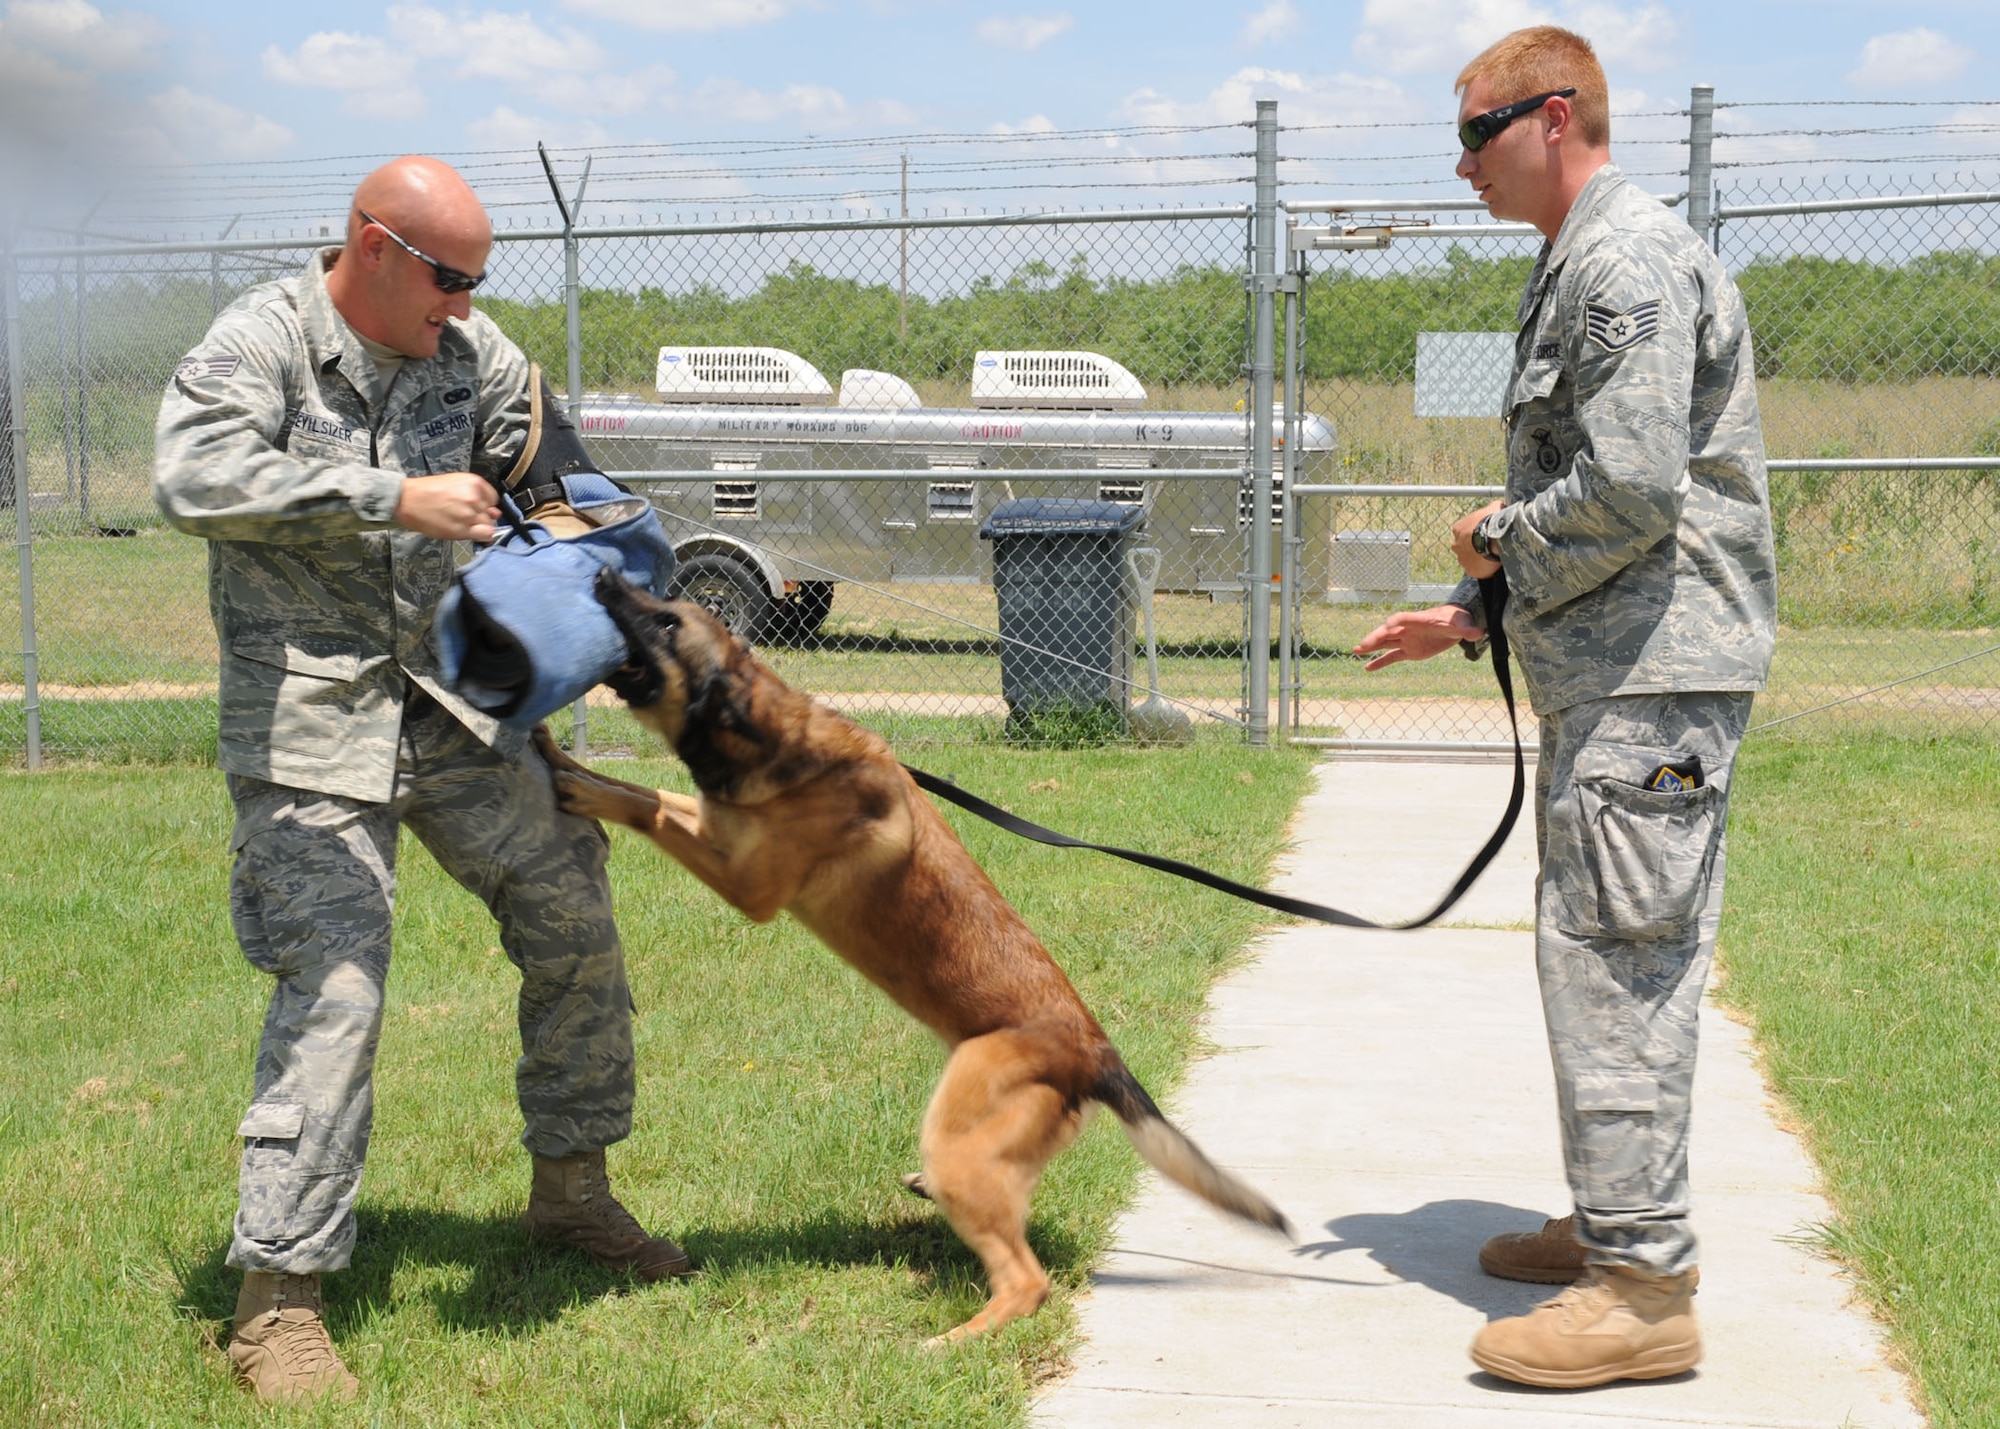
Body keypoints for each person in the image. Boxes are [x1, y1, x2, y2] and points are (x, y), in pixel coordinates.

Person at [155, 156, 693, 1407]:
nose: (463, 302)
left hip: (455, 709)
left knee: (574, 916)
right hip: (310, 715)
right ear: (374, 245)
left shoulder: (473, 348)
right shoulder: (266, 342)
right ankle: (276, 1303)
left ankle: (572, 1199)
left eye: (476, 281)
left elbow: (545, 463)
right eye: (447, 277)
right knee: (337, 983)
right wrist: (388, 496)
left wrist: (600, 557)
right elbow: (188, 479)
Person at [1355, 27, 1777, 1389]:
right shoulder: (1576, 260)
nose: (1461, 159)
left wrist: (1495, 536)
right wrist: (1473, 610)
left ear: (1554, 117)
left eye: (1475, 131)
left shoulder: (1623, 259)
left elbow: (1634, 490)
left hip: (1651, 682)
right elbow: (1610, 500)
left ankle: (1643, 1290)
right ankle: (1618, 1229)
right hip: (1617, 668)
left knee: (1618, 966)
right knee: (1595, 953)